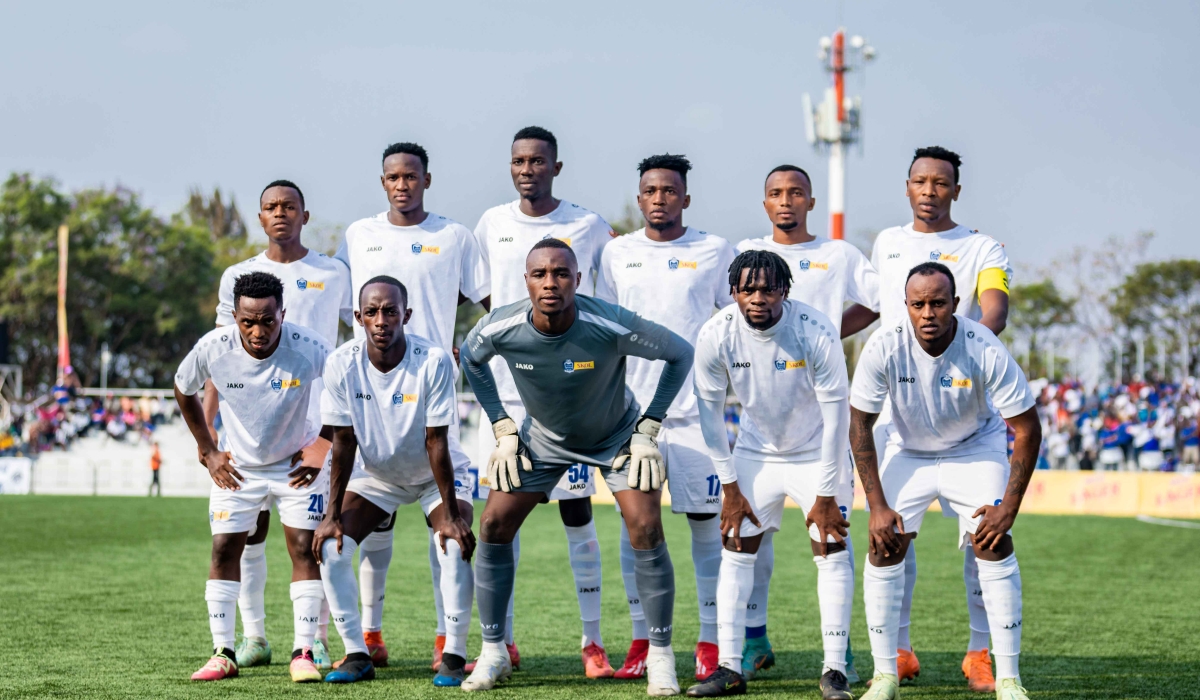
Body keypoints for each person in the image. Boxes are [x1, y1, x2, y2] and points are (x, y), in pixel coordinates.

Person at [459, 238, 693, 694]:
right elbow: (470, 359)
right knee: (491, 524)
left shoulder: (607, 321)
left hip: (616, 436)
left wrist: (649, 426)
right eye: (540, 274)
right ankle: (492, 652)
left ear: (578, 280)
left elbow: (680, 353)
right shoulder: (499, 326)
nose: (551, 283)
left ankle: (662, 657)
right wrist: (504, 428)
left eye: (562, 273)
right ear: (525, 281)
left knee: (645, 527)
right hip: (542, 440)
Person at [849, 263, 1040, 700]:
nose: (929, 312)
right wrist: (877, 505)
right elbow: (859, 424)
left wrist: (1008, 507)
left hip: (974, 448)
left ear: (956, 305)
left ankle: (1008, 679)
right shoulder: (883, 345)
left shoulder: (983, 346)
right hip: (908, 450)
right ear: (906, 307)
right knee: (884, 542)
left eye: (938, 302)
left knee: (991, 542)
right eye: (919, 304)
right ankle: (885, 678)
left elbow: (1028, 428)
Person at [335, 142, 488, 671]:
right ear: (383, 182)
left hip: (427, 386)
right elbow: (339, 297)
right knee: (360, 538)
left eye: (411, 176)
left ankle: (450, 645)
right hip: (375, 406)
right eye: (393, 177)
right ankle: (366, 641)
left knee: (446, 537)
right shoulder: (359, 235)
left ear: (427, 179)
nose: (403, 185)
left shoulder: (454, 236)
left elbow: (483, 299)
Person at [471, 126, 618, 676]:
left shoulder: (589, 224)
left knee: (578, 513)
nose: (527, 168)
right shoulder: (492, 223)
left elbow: (608, 288)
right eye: (518, 161)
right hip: (506, 401)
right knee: (499, 519)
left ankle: (591, 641)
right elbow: (490, 299)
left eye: (537, 160)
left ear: (557, 166)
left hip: (571, 397)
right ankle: (499, 643)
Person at [865, 147, 1013, 691]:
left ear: (956, 189)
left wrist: (968, 351)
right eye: (920, 181)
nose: (930, 190)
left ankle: (980, 654)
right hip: (894, 415)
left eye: (941, 182)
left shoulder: (982, 246)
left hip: (964, 411)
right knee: (891, 538)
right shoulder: (887, 242)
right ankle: (899, 651)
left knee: (985, 539)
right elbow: (875, 308)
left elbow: (993, 306)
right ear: (907, 187)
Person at [683, 250, 854, 700]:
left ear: (784, 290)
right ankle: (728, 667)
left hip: (818, 451)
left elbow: (839, 419)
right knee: (736, 552)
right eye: (748, 289)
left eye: (768, 288)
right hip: (757, 452)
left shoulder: (815, 331)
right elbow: (710, 416)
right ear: (733, 291)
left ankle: (835, 670)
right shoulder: (717, 334)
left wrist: (826, 492)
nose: (758, 297)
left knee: (831, 550)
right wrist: (730, 486)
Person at [733, 164, 878, 681]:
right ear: (765, 202)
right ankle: (753, 641)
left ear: (812, 201)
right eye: (776, 193)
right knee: (754, 543)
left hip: (822, 426)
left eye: (796, 193)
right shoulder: (747, 252)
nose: (787, 201)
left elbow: (880, 302)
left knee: (831, 539)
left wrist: (827, 335)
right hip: (762, 429)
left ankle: (840, 655)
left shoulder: (837, 254)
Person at [594, 154, 735, 681]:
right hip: (631, 421)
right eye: (650, 190)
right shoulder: (616, 254)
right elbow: (602, 328)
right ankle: (641, 640)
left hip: (697, 417)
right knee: (639, 530)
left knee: (705, 529)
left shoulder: (715, 250)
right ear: (639, 198)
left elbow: (731, 322)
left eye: (670, 190)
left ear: (686, 198)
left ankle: (710, 642)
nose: (660, 198)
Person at [208, 180, 352, 671]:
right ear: (260, 217)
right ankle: (254, 638)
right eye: (271, 207)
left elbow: (354, 348)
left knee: (309, 540)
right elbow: (219, 357)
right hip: (247, 430)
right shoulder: (239, 275)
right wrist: (208, 436)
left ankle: (316, 641)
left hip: (312, 431)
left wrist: (330, 435)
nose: (281, 214)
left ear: (305, 215)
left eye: (290, 206)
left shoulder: (333, 272)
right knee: (247, 534)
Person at [313, 276, 477, 685]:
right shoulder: (341, 364)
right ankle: (356, 655)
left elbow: (435, 441)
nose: (381, 320)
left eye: (390, 311)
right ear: (358, 317)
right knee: (331, 548)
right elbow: (343, 441)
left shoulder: (434, 360)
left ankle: (453, 655)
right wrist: (332, 514)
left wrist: (452, 515)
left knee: (454, 546)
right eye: (371, 312)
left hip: (435, 475)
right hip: (378, 477)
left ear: (406, 314)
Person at [174, 271, 333, 683]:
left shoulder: (310, 348)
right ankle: (223, 652)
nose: (258, 330)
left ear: (283, 313)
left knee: (304, 549)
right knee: (224, 549)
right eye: (247, 321)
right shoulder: (214, 348)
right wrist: (208, 450)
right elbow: (182, 386)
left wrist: (322, 446)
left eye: (268, 320)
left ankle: (304, 652)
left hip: (297, 466)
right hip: (239, 467)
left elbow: (346, 388)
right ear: (234, 316)